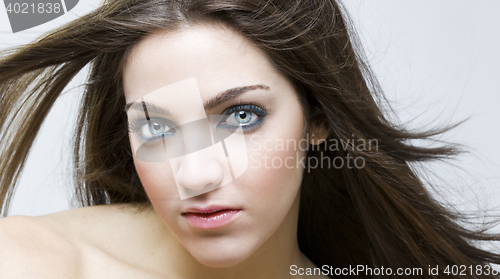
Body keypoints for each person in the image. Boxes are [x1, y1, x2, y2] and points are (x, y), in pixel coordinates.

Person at [0, 0, 499, 278]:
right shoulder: (34, 261)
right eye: (156, 127)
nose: (195, 175)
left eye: (241, 115)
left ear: (318, 119)